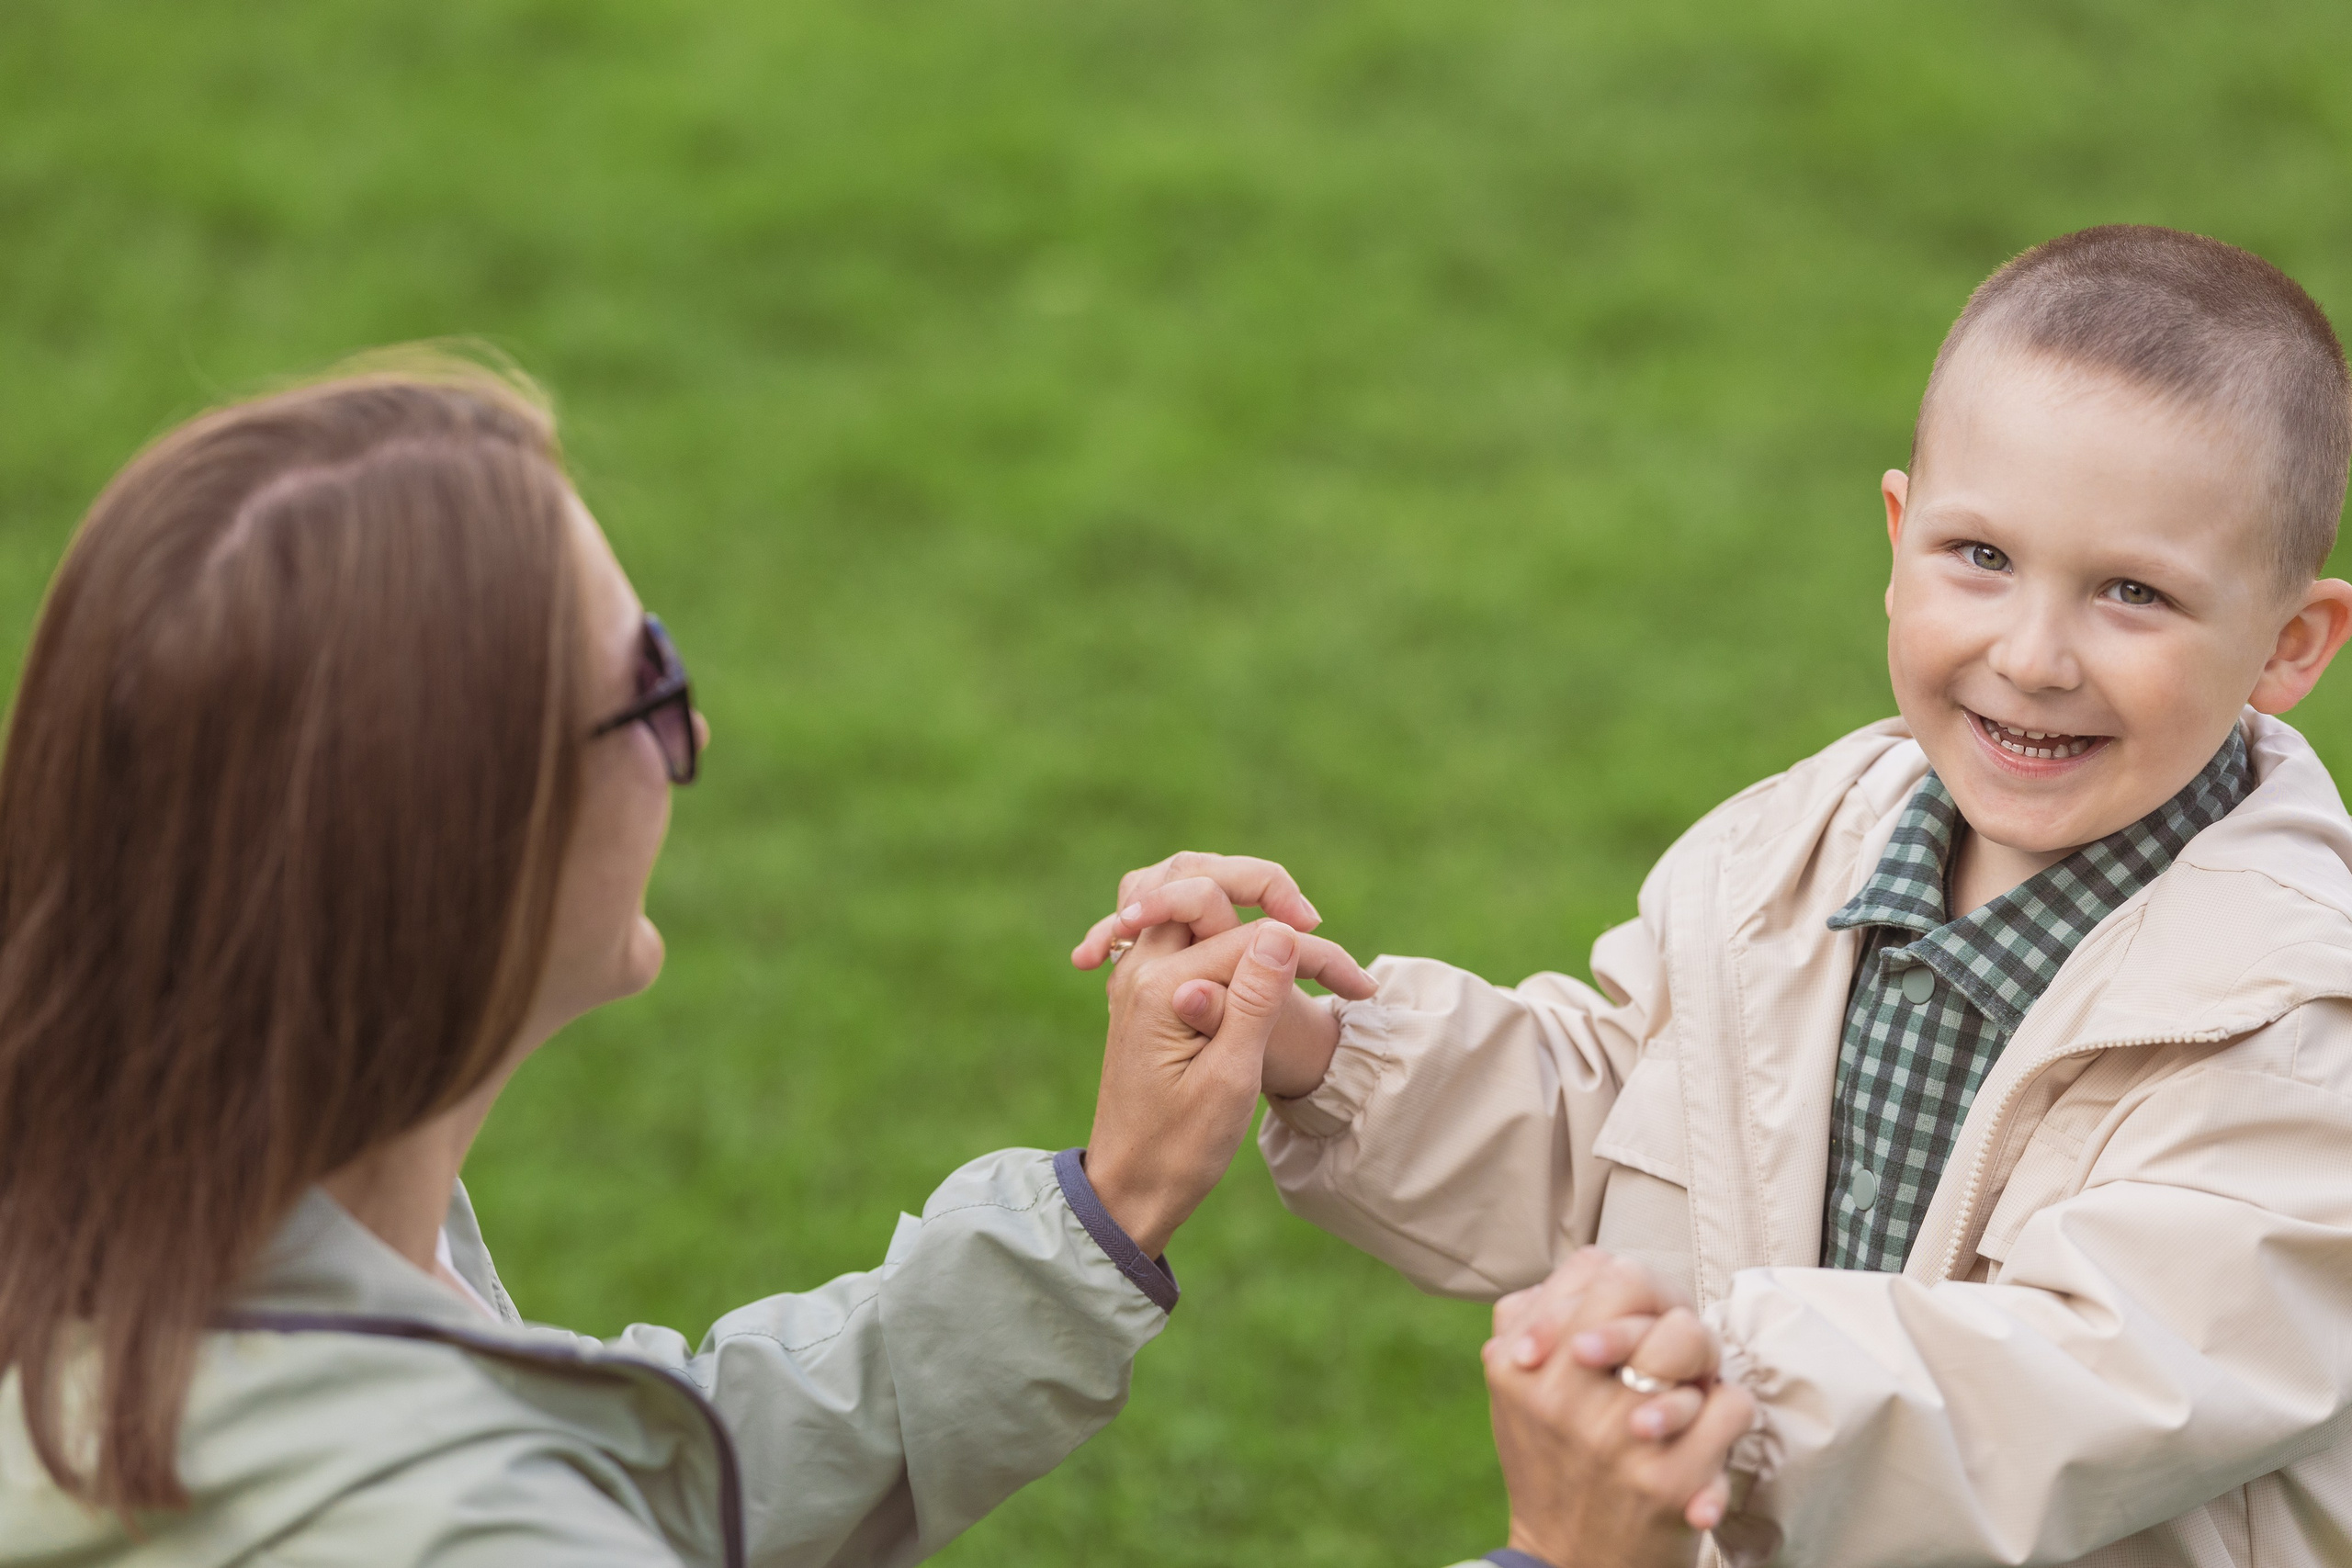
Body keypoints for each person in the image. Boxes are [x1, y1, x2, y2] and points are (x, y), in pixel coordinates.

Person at [0, 355, 1749, 1567]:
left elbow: (657, 1488)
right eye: (653, 684)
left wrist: (1101, 1210)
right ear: (468, 839)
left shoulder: (191, 1224)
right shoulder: (440, 1518)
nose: (703, 727)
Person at [1077, 224, 2352, 1565]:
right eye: (1982, 557)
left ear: (2288, 646)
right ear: (1899, 536)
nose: (2032, 655)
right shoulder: (1789, 859)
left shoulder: (2297, 1028)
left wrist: (1727, 1384)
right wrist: (1322, 1048)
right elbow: (1618, 1130)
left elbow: (2101, 1379)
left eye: (2132, 594)